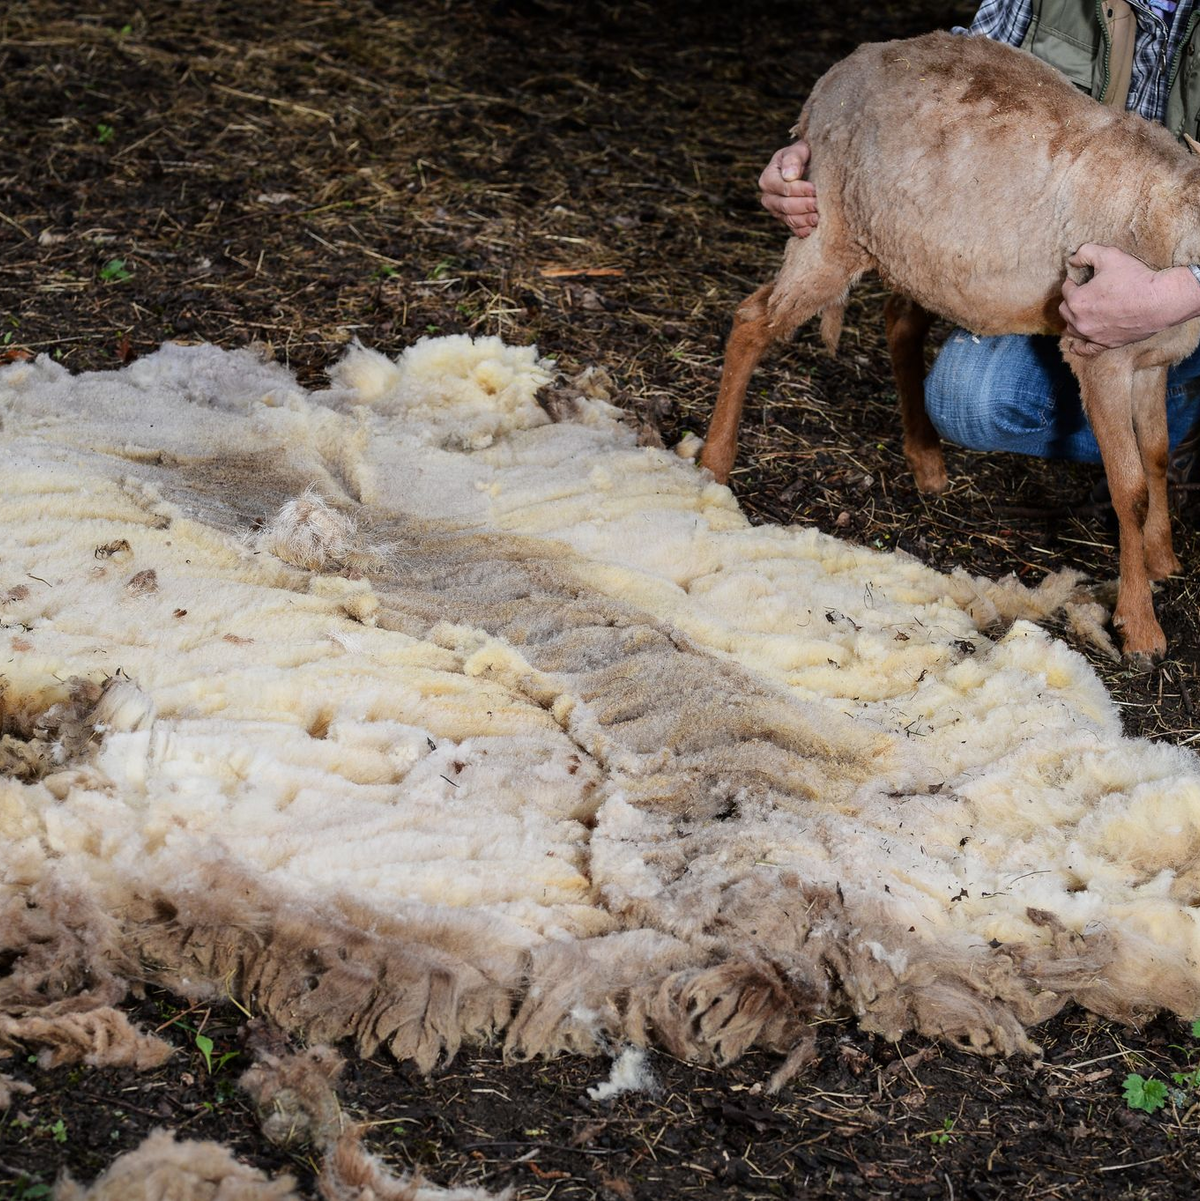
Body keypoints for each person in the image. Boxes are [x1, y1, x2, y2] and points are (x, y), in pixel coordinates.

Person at [758, 0, 1200, 481]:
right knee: (970, 399)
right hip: (1078, 250)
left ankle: (1179, 420)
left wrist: (1181, 291)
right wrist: (832, 138)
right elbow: (966, 69)